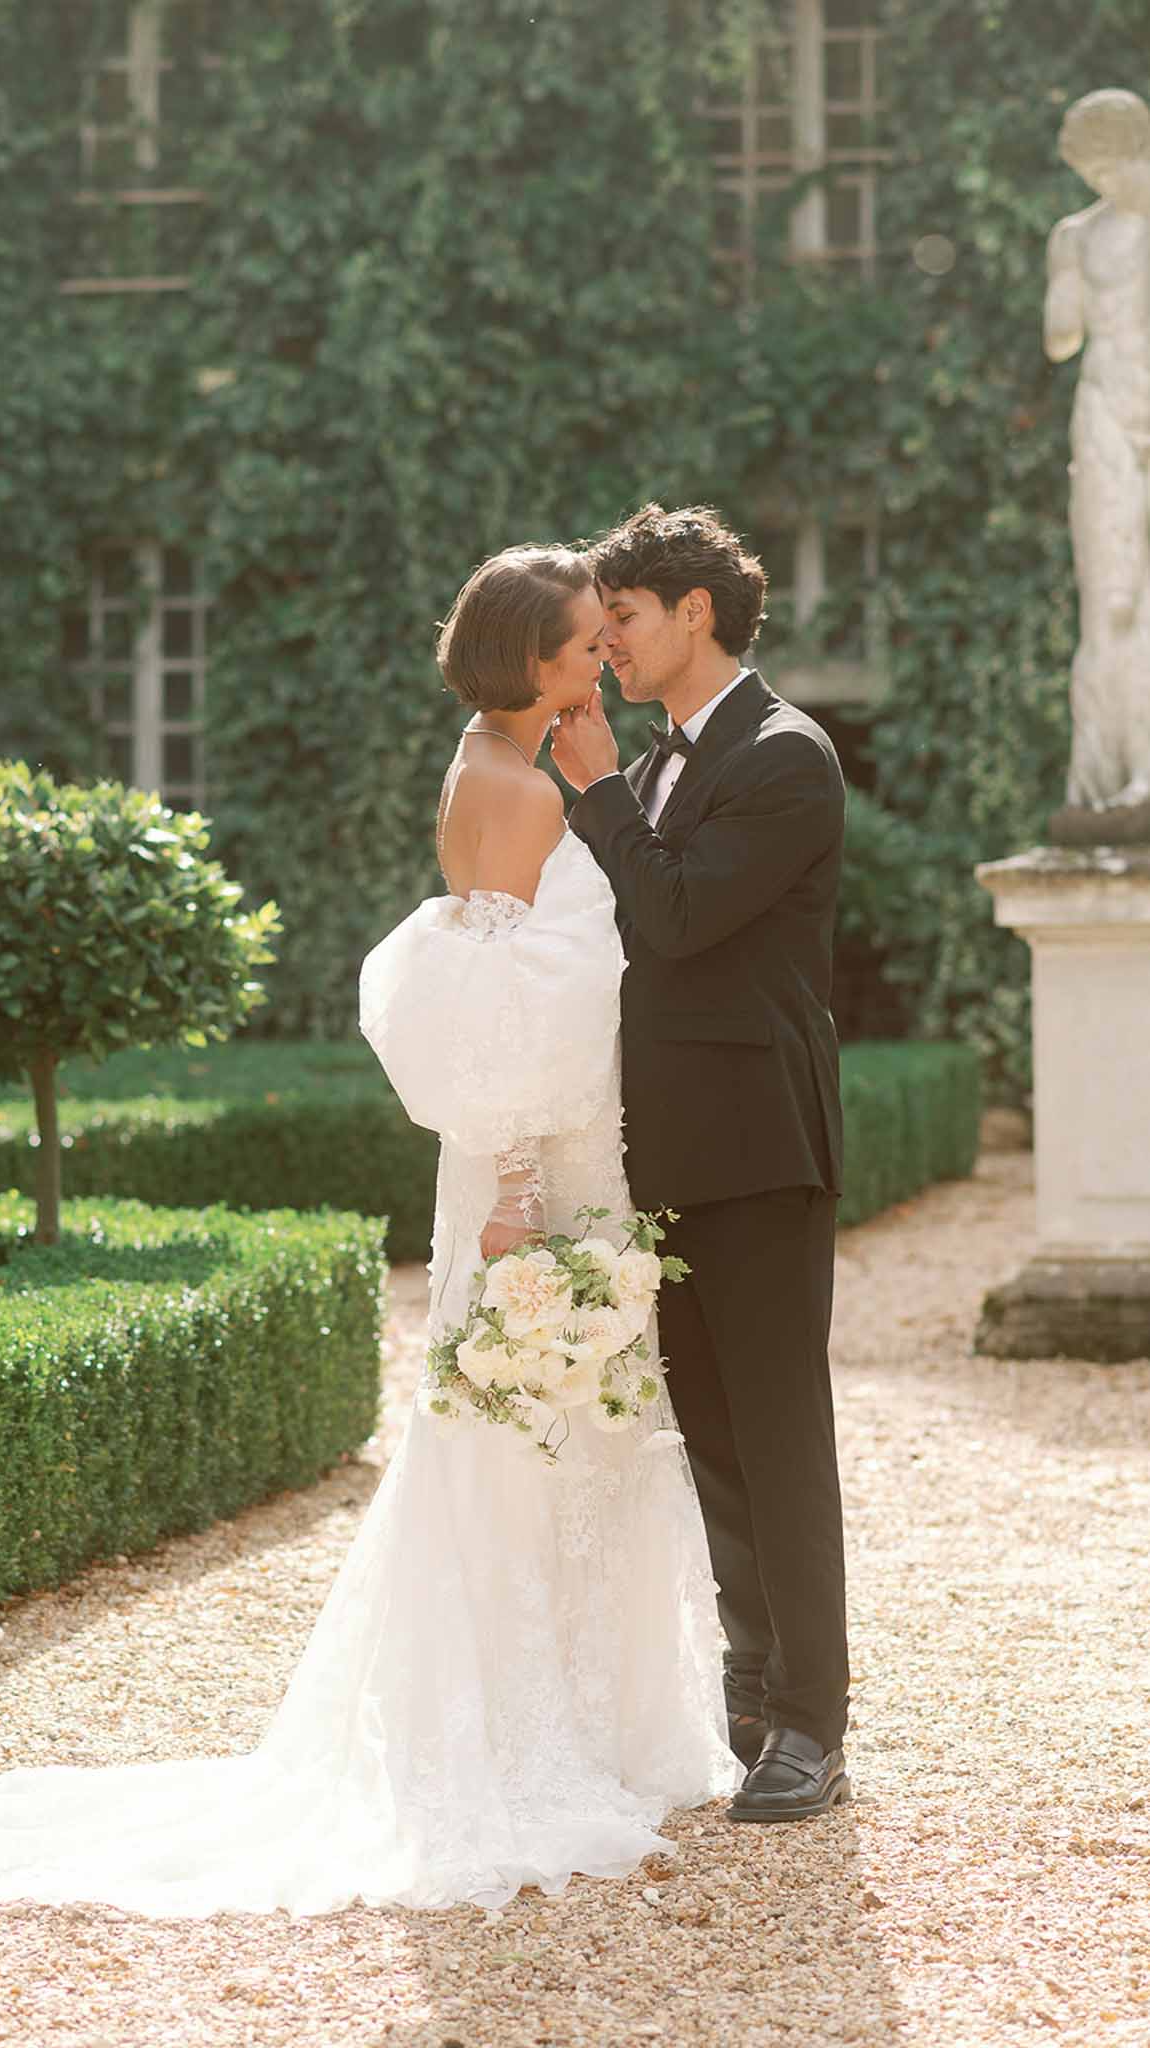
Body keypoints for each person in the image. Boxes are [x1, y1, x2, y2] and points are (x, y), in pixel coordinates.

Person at [0, 542, 736, 1920]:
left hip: (569, 1145)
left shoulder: (519, 760)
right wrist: (512, 1193)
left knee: (566, 1427)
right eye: (581, 644)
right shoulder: (508, 787)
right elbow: (494, 1011)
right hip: (533, 1164)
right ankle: (512, 1738)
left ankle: (585, 1720)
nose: (602, 658)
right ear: (528, 661)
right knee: (528, 1424)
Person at [551, 502, 851, 1823]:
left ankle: (813, 1726)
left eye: (620, 617)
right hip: (666, 1146)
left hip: (761, 1145)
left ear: (694, 612)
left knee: (779, 1439)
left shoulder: (786, 757)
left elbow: (673, 918)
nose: (605, 641)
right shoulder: (662, 760)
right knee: (714, 1438)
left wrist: (598, 794)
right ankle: (749, 1696)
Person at [1043, 88, 1150, 810]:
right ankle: (1109, 771)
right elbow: (1061, 340)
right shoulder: (1077, 236)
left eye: (1110, 166)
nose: (1102, 183)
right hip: (1106, 410)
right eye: (1091, 172)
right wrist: (1068, 280)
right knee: (1111, 599)